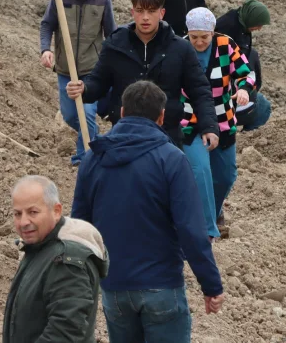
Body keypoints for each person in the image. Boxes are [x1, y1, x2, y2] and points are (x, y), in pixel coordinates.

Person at [71, 81, 224, 342]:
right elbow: (191, 230)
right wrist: (210, 285)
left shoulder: (93, 158)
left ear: (121, 112)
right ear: (162, 117)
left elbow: (79, 227)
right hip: (162, 285)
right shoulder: (172, 159)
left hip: (114, 287)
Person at [66, 0, 217, 147]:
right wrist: (84, 89)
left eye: (151, 11)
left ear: (162, 13)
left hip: (166, 135)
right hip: (124, 134)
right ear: (132, 13)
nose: (145, 17)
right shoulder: (115, 45)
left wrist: (209, 126)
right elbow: (98, 81)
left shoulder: (180, 48)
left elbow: (200, 90)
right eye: (140, 11)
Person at [180, 8, 257, 237]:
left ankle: (213, 211)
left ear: (213, 32)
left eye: (204, 37)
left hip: (222, 118)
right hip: (191, 120)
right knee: (201, 171)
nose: (199, 42)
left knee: (226, 175)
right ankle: (207, 230)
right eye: (194, 37)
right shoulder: (180, 47)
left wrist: (243, 89)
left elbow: (247, 73)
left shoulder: (226, 45)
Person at [5, 176, 108, 343]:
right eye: (18, 214)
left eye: (33, 212)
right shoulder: (40, 247)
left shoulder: (66, 261)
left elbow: (65, 332)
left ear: (56, 211)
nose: (23, 222)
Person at [40, 0, 116, 165]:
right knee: (70, 116)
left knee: (88, 113)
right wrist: (45, 49)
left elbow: (111, 34)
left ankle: (85, 157)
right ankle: (93, 137)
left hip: (92, 69)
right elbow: (47, 24)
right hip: (65, 68)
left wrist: (113, 63)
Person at [215, 0, 272, 132]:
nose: (259, 29)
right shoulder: (228, 30)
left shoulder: (241, 24)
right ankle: (248, 134)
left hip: (239, 86)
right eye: (258, 25)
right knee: (264, 107)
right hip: (226, 96)